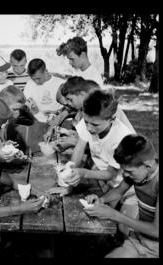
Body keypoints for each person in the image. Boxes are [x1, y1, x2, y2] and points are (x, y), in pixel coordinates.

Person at [49, 90, 138, 235]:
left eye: (95, 125)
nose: (89, 128)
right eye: (86, 122)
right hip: (107, 184)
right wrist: (69, 182)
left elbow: (110, 174)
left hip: (127, 188)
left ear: (112, 119)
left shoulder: (122, 137)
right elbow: (78, 152)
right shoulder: (89, 121)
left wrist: (82, 173)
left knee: (121, 230)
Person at [84, 134, 159, 258]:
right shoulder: (140, 173)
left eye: (129, 171)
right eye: (123, 170)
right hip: (139, 239)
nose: (124, 175)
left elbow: (156, 231)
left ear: (148, 165)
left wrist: (114, 215)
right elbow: (119, 191)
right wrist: (101, 199)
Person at [24, 58, 65, 123]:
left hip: (57, 121)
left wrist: (56, 113)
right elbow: (26, 104)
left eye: (38, 78)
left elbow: (68, 108)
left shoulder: (60, 83)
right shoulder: (30, 83)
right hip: (36, 122)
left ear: (46, 71)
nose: (36, 81)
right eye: (33, 78)